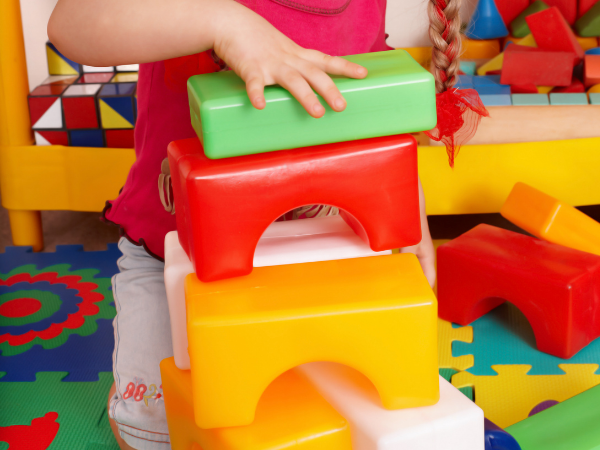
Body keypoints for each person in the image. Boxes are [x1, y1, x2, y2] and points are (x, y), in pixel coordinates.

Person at [47, 0, 461, 448]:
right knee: (152, 432)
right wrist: (223, 22)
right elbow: (72, 24)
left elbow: (365, 97)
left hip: (312, 253)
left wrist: (407, 197)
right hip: (176, 256)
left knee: (334, 415)